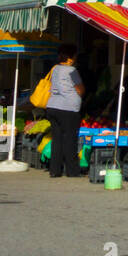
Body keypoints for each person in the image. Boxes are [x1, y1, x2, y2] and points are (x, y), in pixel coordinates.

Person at [46, 44, 86, 178]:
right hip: (68, 108)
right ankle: (72, 171)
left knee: (57, 139)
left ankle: (55, 170)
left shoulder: (55, 68)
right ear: (71, 56)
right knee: (70, 139)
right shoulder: (71, 71)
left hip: (52, 106)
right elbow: (80, 89)